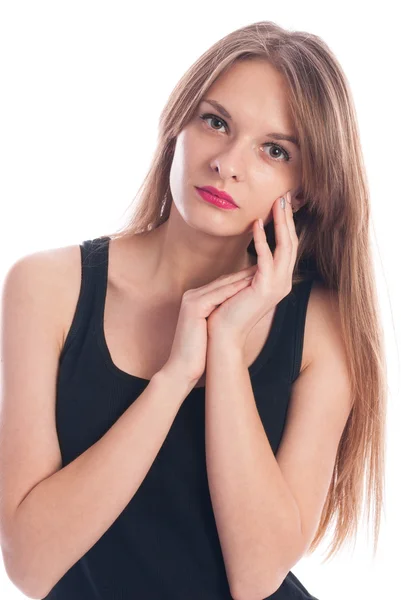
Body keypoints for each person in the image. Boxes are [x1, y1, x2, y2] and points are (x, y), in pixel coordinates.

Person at [0, 20, 387, 600]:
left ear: (301, 190)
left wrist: (226, 348)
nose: (228, 163)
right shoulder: (48, 287)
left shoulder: (321, 327)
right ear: (177, 124)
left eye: (274, 150)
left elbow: (256, 576)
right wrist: (174, 377)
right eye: (216, 121)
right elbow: (30, 565)